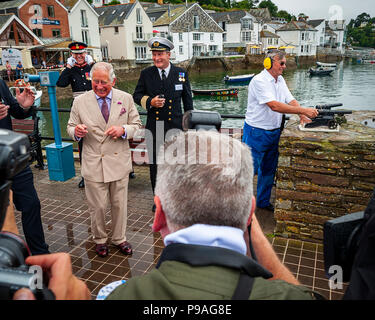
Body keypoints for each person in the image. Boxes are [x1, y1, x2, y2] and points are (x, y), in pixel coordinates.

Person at [13, 130, 318, 300]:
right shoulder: (287, 298)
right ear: (250, 212)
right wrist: (249, 224)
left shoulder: (118, 295)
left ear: (158, 215)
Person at [67, 62, 142, 258]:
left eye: (104, 82)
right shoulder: (80, 102)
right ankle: (99, 239)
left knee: (119, 204)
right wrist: (76, 132)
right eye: (96, 82)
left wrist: (123, 130)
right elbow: (70, 126)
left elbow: (137, 125)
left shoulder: (125, 99)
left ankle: (119, 238)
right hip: (93, 162)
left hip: (118, 161)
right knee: (97, 207)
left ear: (113, 81)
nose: (100, 86)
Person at [242, 49, 319, 212]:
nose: (284, 66)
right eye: (281, 63)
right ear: (269, 63)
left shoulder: (280, 80)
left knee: (269, 170)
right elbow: (274, 105)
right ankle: (240, 206)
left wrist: (301, 114)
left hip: (274, 131)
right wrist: (303, 111)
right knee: (248, 171)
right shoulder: (259, 81)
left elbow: (290, 99)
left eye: (285, 63)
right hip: (256, 132)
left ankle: (262, 202)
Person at [133, 37, 193, 212]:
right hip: (155, 127)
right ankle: (158, 198)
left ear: (168, 55)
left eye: (160, 54)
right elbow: (136, 96)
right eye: (154, 55)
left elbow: (188, 102)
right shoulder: (146, 74)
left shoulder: (181, 74)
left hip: (176, 127)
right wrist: (150, 102)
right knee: (156, 165)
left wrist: (189, 127)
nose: (156, 58)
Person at [0, 78, 49, 255]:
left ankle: (40, 254)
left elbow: (16, 112)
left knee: (31, 204)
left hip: (11, 156)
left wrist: (24, 106)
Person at [57, 41, 95, 189]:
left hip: (95, 105)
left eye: (81, 53)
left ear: (86, 53)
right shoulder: (71, 70)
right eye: (76, 54)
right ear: (72, 56)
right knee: (82, 143)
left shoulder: (91, 67)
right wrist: (67, 68)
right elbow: (61, 84)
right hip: (79, 108)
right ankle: (85, 176)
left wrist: (93, 65)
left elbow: (105, 78)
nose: (79, 56)